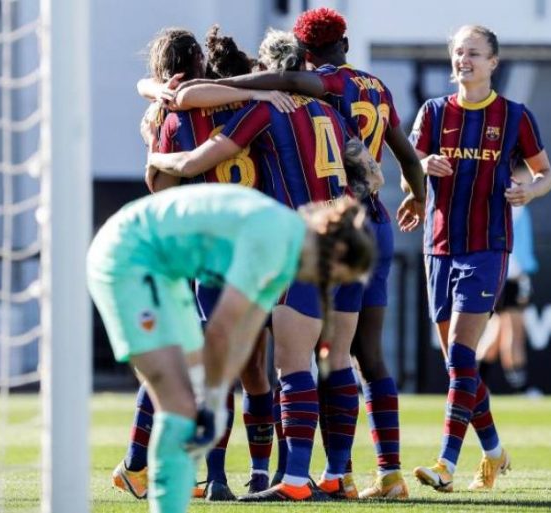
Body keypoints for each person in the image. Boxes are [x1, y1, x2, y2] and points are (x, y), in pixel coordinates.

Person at [190, 10, 425, 498]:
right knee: (350, 355)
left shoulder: (287, 97)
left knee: (271, 361)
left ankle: (276, 475)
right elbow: (380, 165)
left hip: (293, 236)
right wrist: (416, 196)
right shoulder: (357, 97)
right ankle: (352, 471)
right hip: (363, 226)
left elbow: (199, 157)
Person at [147, 30, 383, 503]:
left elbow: (195, 162)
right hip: (348, 237)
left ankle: (288, 478)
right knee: (335, 360)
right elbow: (372, 175)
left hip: (296, 242)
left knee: (284, 364)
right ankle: (336, 473)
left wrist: (154, 155)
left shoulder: (263, 109)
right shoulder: (332, 114)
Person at [88, 184, 377, 513]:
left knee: (184, 408)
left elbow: (243, 334)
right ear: (335, 253)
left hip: (162, 271)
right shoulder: (274, 240)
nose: (325, 285)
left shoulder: (285, 250)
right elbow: (222, 330)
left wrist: (212, 399)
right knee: (181, 407)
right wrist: (211, 402)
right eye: (334, 277)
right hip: (129, 256)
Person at [114, 26, 294, 502]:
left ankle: (195, 472)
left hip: (195, 253)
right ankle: (249, 473)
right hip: (249, 247)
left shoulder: (166, 119)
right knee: (249, 367)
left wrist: (161, 154)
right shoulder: (248, 107)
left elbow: (161, 186)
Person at [407, 25, 551, 493]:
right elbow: (409, 160)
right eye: (457, 53)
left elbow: (546, 173)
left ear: (493, 62)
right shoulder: (432, 113)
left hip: (487, 246)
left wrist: (529, 190)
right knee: (460, 367)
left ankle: (446, 463)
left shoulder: (514, 116)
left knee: (465, 357)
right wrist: (421, 169)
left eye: (473, 53)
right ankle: (493, 452)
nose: (463, 60)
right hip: (439, 246)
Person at [477, 165, 540, 395]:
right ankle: (520, 387)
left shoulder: (514, 202)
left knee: (498, 329)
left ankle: (475, 383)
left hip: (502, 276)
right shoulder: (508, 201)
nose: (530, 180)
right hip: (507, 276)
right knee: (513, 331)